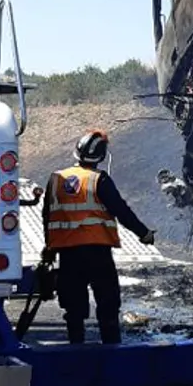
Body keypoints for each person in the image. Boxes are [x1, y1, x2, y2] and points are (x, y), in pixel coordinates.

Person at [42, 129, 156, 345]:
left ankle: (76, 349)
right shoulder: (99, 180)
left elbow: (47, 216)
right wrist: (144, 233)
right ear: (101, 157)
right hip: (97, 253)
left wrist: (49, 248)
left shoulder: (56, 180)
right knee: (108, 304)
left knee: (73, 306)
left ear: (77, 151)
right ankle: (111, 350)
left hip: (68, 253)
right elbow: (121, 211)